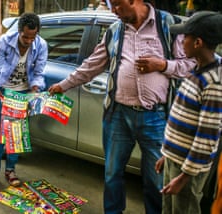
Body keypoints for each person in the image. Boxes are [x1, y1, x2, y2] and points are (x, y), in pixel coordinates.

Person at [49, 0, 195, 213]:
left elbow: (190, 65)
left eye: (117, 4)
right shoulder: (115, 30)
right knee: (112, 175)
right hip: (118, 115)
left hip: (156, 118)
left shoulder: (167, 25)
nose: (113, 10)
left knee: (156, 180)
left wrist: (162, 65)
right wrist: (63, 85)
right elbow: (92, 65)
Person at [154, 11, 222, 214]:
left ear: (198, 43)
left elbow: (206, 137)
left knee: (184, 209)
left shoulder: (213, 83)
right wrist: (167, 154)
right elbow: (182, 120)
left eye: (185, 37)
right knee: (169, 208)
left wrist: (184, 176)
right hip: (175, 159)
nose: (181, 41)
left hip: (188, 167)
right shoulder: (196, 71)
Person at [0, 12, 48, 187]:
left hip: (23, 94)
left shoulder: (41, 45)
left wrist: (35, 89)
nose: (29, 41)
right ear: (19, 31)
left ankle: (10, 171)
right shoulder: (4, 41)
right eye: (26, 37)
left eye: (33, 37)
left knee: (16, 133)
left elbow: (39, 73)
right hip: (4, 92)